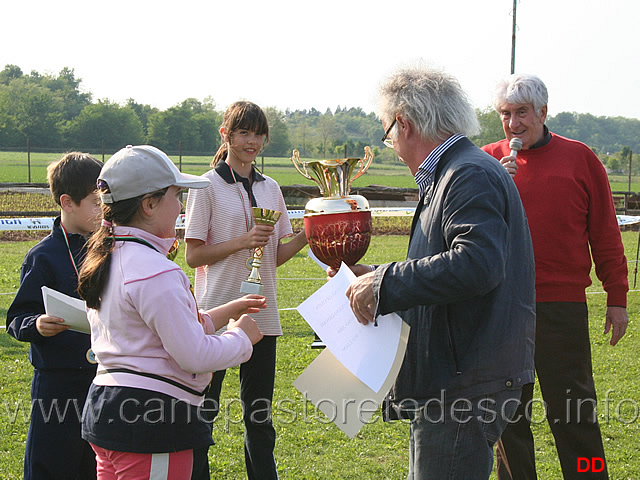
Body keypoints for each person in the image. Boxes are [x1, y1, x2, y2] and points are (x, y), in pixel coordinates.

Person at [333, 65, 536, 479]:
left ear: (404, 124)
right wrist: (375, 274)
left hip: (462, 383)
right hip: (458, 375)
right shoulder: (457, 171)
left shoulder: (467, 174)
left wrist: (387, 282)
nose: (389, 144)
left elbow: (478, 264)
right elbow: (456, 262)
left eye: (386, 132)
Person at [76, 145, 264, 480]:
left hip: (108, 410)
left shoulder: (110, 256)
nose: (181, 207)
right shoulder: (156, 270)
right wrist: (242, 338)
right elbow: (193, 355)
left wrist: (224, 313)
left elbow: (152, 333)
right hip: (154, 421)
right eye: (176, 196)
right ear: (149, 204)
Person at [482, 73, 629, 480]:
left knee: (575, 413)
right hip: (501, 307)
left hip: (561, 308)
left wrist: (616, 296)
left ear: (543, 112)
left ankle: (589, 476)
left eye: (522, 113)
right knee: (508, 418)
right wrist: (495, 185)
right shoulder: (487, 161)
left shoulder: (579, 158)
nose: (512, 124)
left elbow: (605, 231)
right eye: (505, 114)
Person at [184, 101, 307, 480]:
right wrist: (243, 241)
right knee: (205, 413)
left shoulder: (271, 189)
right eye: (244, 133)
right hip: (216, 316)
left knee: (260, 417)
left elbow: (274, 256)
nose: (252, 141)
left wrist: (309, 235)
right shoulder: (205, 187)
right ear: (226, 135)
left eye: (258, 134)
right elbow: (192, 256)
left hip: (262, 315)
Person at [6, 152, 103, 480]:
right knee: (52, 464)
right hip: (57, 382)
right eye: (95, 202)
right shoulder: (42, 256)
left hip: (101, 377)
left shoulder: (108, 249)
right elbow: (17, 317)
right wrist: (36, 324)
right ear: (67, 202)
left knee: (95, 463)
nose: (103, 210)